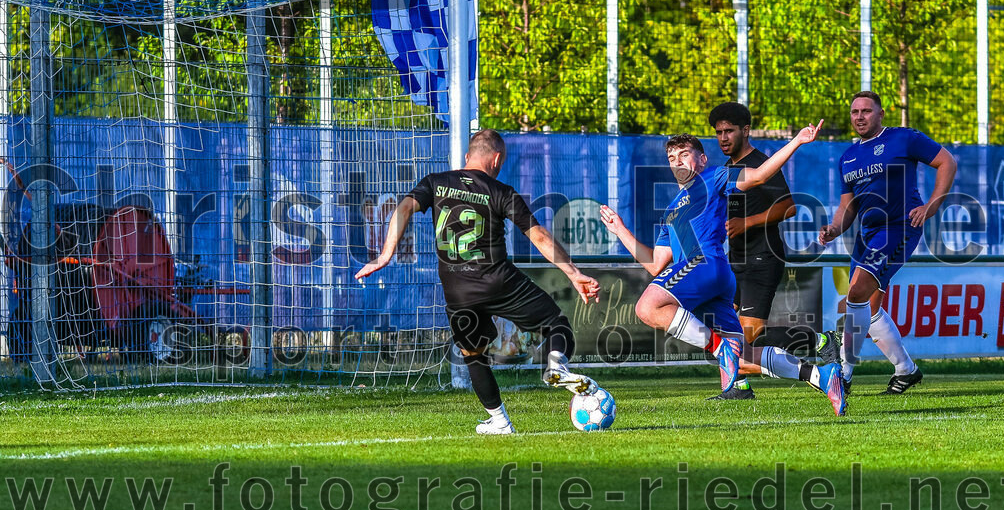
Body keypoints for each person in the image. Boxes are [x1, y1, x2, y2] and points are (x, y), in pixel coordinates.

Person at [355, 129, 602, 435]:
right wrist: (574, 273)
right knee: (556, 324)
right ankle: (555, 365)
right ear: (496, 159)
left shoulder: (435, 182)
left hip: (457, 288)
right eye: (502, 163)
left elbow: (404, 207)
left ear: (467, 156)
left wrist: (384, 255)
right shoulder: (502, 191)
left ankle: (500, 421)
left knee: (473, 355)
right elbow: (538, 236)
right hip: (499, 280)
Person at [600, 124, 847, 416]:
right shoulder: (671, 210)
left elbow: (760, 175)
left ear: (702, 159)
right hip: (713, 279)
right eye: (672, 158)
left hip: (705, 264)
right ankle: (820, 375)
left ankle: (720, 348)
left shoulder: (713, 176)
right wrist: (621, 230)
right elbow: (654, 263)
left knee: (647, 307)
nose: (677, 162)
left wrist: (797, 141)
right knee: (742, 357)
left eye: (684, 154)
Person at [819, 91, 957, 395]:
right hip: (867, 235)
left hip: (898, 227)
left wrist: (932, 205)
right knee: (868, 307)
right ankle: (906, 370)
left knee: (856, 293)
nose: (859, 117)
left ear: (881, 114)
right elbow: (848, 206)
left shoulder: (904, 138)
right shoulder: (847, 157)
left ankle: (842, 375)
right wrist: (834, 228)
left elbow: (946, 161)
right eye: (855, 112)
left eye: (866, 111)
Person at [710, 102, 840, 400]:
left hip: (763, 258)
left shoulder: (760, 164)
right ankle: (738, 387)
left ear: (746, 130)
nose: (723, 138)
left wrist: (747, 223)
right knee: (722, 330)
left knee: (749, 339)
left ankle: (819, 341)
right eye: (718, 132)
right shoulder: (727, 170)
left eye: (729, 131)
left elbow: (789, 207)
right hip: (734, 261)